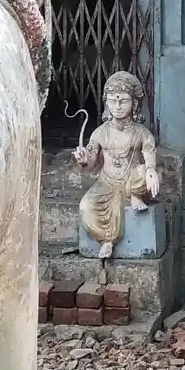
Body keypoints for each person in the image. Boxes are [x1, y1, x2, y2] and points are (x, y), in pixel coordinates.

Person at [74, 70, 159, 260]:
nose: (118, 106)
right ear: (107, 103)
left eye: (124, 101)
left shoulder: (142, 133)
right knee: (85, 206)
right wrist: (83, 160)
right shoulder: (99, 133)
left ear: (134, 104)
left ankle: (135, 196)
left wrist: (151, 171)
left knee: (144, 171)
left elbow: (150, 159)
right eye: (113, 101)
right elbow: (90, 165)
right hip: (107, 183)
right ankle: (106, 240)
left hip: (132, 182)